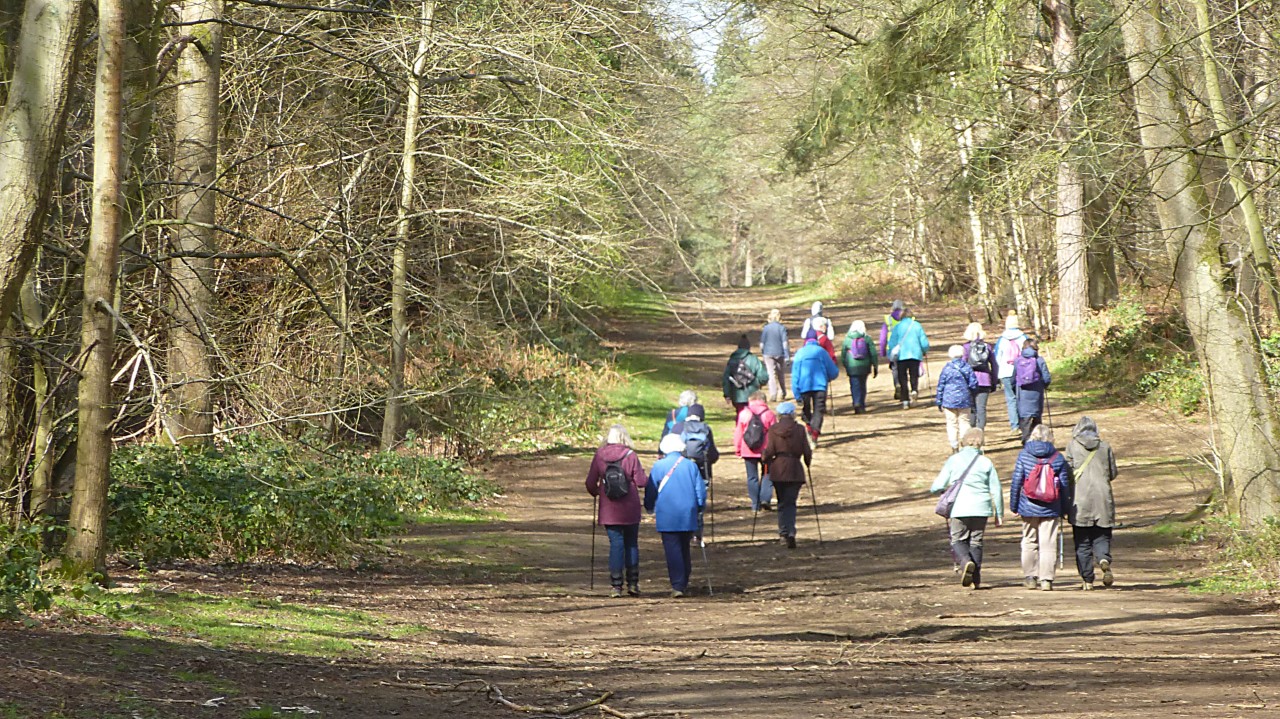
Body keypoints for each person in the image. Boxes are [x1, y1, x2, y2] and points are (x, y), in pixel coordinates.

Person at [930, 428, 1003, 589]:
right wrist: (999, 513)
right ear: (981, 443)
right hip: (982, 508)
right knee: (976, 542)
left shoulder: (954, 460)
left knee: (957, 539)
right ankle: (975, 579)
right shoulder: (986, 462)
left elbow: (937, 485)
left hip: (960, 507)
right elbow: (996, 489)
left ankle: (965, 562)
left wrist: (938, 490)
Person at [585, 424, 648, 597]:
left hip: (609, 509)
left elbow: (590, 483)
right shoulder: (630, 455)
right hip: (630, 508)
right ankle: (633, 584)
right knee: (631, 543)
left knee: (616, 544)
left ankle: (616, 586)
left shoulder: (599, 456)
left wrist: (599, 493)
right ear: (624, 438)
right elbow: (641, 481)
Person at [1010, 424, 1073, 591]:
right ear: (1049, 438)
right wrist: (1066, 508)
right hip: (1051, 506)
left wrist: (1014, 506)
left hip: (1028, 505)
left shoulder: (1024, 455)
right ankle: (1046, 579)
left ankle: (1030, 577)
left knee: (1029, 540)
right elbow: (1065, 485)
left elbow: (1017, 482)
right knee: (1048, 543)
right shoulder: (1058, 457)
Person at [644, 434, 707, 598]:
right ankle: (683, 580)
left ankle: (678, 584)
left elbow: (650, 489)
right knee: (684, 547)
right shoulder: (691, 466)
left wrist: (649, 506)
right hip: (688, 513)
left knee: (672, 549)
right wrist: (700, 506)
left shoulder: (659, 466)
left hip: (667, 514)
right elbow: (700, 489)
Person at [1067, 416, 1119, 590]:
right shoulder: (1105, 447)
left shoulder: (1072, 446)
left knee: (1082, 542)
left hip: (1079, 500)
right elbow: (1112, 473)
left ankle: (1087, 580)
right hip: (1103, 498)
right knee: (1102, 535)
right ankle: (1103, 559)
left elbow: (1066, 473)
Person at [761, 401, 812, 548]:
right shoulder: (800, 429)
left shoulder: (773, 429)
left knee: (782, 502)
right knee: (791, 503)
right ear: (792, 414)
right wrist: (808, 462)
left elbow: (769, 450)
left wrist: (764, 459)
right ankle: (790, 532)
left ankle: (783, 532)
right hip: (795, 469)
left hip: (778, 470)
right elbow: (806, 450)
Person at [790, 330, 839, 444]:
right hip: (820, 386)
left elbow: (795, 375)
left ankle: (809, 427)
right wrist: (830, 376)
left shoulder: (800, 353)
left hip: (804, 387)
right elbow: (833, 370)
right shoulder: (821, 352)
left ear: (806, 340)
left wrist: (796, 393)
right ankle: (815, 433)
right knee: (819, 410)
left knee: (806, 409)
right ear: (816, 340)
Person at [733, 390, 777, 512]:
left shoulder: (744, 414)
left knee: (752, 477)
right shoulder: (769, 414)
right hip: (766, 451)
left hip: (748, 450)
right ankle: (765, 498)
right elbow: (774, 433)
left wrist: (738, 449)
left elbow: (738, 433)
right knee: (767, 474)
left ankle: (755, 504)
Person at [935, 345, 978, 452]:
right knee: (964, 422)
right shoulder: (967, 367)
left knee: (951, 423)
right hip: (964, 399)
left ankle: (954, 446)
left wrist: (939, 400)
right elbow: (973, 384)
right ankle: (965, 445)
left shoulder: (947, 368)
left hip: (948, 400)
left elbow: (941, 385)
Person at [887, 307, 930, 408]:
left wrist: (890, 355)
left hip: (901, 355)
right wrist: (924, 350)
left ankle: (905, 400)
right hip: (915, 354)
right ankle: (914, 390)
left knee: (902, 378)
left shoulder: (897, 327)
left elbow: (892, 342)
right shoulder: (917, 325)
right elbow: (923, 341)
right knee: (914, 375)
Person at [993, 313, 1028, 434]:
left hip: (1006, 371)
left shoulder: (1002, 339)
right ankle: (1025, 423)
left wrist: (1000, 370)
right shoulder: (1023, 338)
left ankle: (1014, 425)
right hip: (1022, 371)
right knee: (1021, 398)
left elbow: (997, 357)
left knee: (1011, 398)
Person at [1014, 337, 1052, 445]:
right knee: (1036, 415)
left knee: (1024, 417)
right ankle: (1038, 439)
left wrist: (1014, 387)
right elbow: (1046, 377)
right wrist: (1045, 385)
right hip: (1037, 392)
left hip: (1022, 392)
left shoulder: (1018, 360)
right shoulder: (1039, 360)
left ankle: (1026, 440)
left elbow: (1013, 377)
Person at [723, 334, 769, 414]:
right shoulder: (754, 359)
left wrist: (727, 394)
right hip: (753, 394)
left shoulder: (732, 360)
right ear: (748, 347)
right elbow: (763, 377)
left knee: (740, 416)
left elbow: (726, 378)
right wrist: (759, 383)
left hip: (736, 396)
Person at [962, 323, 997, 430]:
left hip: (970, 381)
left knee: (972, 408)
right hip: (985, 380)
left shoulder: (966, 347)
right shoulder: (988, 347)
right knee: (981, 408)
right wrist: (994, 381)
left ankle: (972, 432)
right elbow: (995, 365)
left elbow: (962, 365)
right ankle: (980, 432)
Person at [839, 320, 878, 413]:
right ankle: (862, 404)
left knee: (854, 385)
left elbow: (843, 353)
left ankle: (856, 402)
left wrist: (845, 364)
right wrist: (875, 365)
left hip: (852, 366)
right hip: (864, 366)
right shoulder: (867, 338)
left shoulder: (847, 339)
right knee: (862, 385)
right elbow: (873, 353)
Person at [673, 403, 720, 480]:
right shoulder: (706, 428)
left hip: (681, 467)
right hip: (702, 468)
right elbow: (712, 453)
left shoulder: (678, 427)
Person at [761, 309, 790, 401]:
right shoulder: (782, 328)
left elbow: (762, 343)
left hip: (768, 353)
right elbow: (785, 343)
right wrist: (787, 355)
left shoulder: (766, 328)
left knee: (771, 374)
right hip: (779, 352)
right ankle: (783, 392)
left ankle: (773, 394)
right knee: (780, 373)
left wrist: (763, 352)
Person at [879, 300, 906, 392]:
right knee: (904, 367)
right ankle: (904, 387)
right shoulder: (906, 318)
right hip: (905, 347)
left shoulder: (888, 319)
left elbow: (883, 338)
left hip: (892, 348)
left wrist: (882, 351)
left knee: (895, 368)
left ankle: (897, 384)